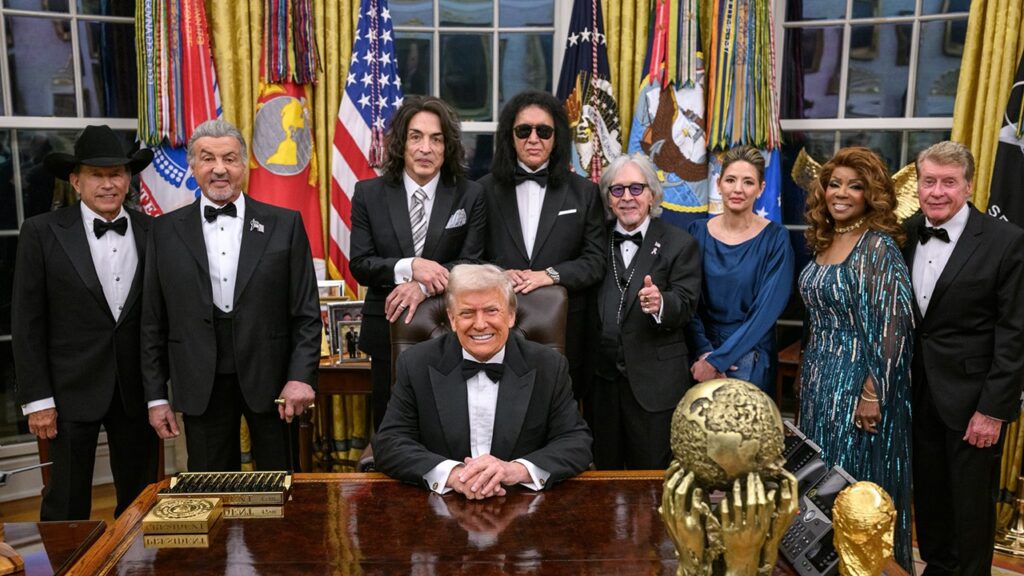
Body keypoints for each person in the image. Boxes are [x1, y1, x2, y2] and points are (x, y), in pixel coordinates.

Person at [141, 119, 321, 472]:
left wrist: (301, 376)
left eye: (230, 158)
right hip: (199, 384)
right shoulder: (162, 231)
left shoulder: (285, 224)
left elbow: (306, 313)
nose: (219, 169)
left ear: (244, 165)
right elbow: (152, 322)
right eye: (208, 158)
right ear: (193, 166)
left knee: (281, 487)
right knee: (211, 491)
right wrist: (156, 396)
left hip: (274, 383)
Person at [12, 125, 160, 520]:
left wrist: (159, 391)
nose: (108, 184)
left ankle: (136, 556)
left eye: (116, 174)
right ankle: (69, 557)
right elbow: (27, 324)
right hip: (68, 392)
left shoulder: (153, 231)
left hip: (135, 390)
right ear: (76, 181)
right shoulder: (41, 233)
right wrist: (38, 400)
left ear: (128, 179)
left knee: (142, 500)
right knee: (66, 501)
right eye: (96, 175)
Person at [903, 141, 1024, 575]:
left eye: (949, 182)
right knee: (929, 501)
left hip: (974, 403)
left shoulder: (1006, 241)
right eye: (929, 181)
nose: (937, 191)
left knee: (971, 511)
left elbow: (1015, 334)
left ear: (969, 186)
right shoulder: (904, 232)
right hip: (916, 395)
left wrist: (992, 410)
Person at [374, 264, 592, 498]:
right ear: (452, 318)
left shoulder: (548, 366)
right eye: (467, 313)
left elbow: (575, 442)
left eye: (491, 311)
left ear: (511, 315)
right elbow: (390, 442)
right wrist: (453, 475)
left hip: (521, 502)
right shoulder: (415, 363)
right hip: (441, 501)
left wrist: (514, 471)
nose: (480, 324)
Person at [797, 146, 914, 571]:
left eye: (854, 186)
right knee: (820, 483)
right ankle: (824, 565)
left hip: (857, 386)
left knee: (853, 488)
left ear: (871, 194)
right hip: (820, 382)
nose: (841, 193)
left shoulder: (877, 247)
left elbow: (894, 328)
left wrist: (872, 392)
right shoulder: (826, 239)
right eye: (834, 184)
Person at [349, 95, 486, 431]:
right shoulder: (368, 193)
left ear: (447, 147)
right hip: (387, 329)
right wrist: (411, 266)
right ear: (401, 143)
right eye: (416, 137)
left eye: (436, 139)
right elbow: (361, 264)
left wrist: (424, 286)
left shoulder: (470, 194)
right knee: (391, 429)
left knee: (448, 429)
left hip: (452, 329)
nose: (426, 148)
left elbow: (474, 262)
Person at [479, 90, 606, 400]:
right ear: (510, 137)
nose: (533, 139)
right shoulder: (482, 190)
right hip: (495, 327)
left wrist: (550, 275)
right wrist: (498, 275)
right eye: (524, 130)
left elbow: (595, 261)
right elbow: (469, 257)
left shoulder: (585, 192)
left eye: (544, 131)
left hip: (567, 331)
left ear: (556, 137)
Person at [589, 153, 701, 469]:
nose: (627, 197)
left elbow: (687, 303)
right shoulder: (593, 241)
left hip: (655, 385)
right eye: (617, 189)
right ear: (608, 199)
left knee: (652, 480)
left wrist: (661, 303)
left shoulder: (680, 243)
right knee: (604, 477)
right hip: (602, 384)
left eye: (636, 188)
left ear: (652, 195)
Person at [687, 146, 794, 394]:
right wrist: (704, 352)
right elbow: (687, 300)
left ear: (761, 188)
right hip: (700, 356)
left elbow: (766, 312)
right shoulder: (696, 232)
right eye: (730, 180)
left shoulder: (776, 238)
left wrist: (718, 361)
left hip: (750, 357)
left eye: (748, 182)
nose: (738, 189)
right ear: (718, 184)